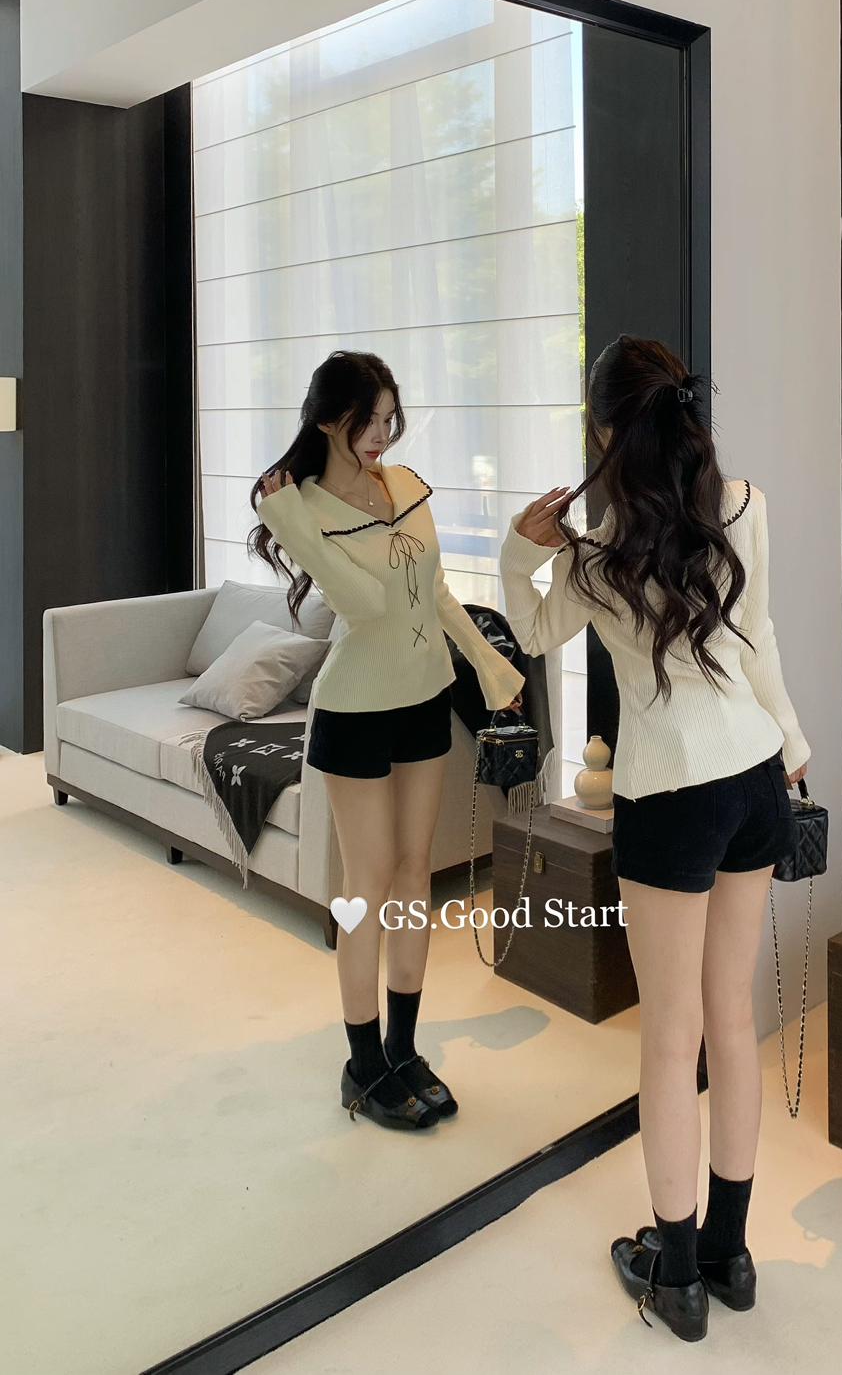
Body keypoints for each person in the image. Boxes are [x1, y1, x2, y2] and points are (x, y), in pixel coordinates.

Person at [498, 334, 811, 1342]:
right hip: (754, 778)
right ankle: (730, 1254)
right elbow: (760, 639)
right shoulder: (744, 506)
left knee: (671, 1040)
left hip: (669, 795)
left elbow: (530, 635)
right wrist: (795, 747)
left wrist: (521, 548)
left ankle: (675, 1276)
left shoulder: (597, 559)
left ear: (604, 434)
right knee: (732, 1021)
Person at [249, 350, 526, 1131]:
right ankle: (362, 1062)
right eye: (366, 420)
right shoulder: (303, 506)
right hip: (355, 709)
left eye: (388, 420)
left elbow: (433, 591)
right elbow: (364, 605)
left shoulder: (404, 486)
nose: (381, 435)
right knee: (365, 886)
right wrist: (294, 527)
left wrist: (491, 669)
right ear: (327, 421)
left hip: (423, 698)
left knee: (412, 877)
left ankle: (402, 1049)